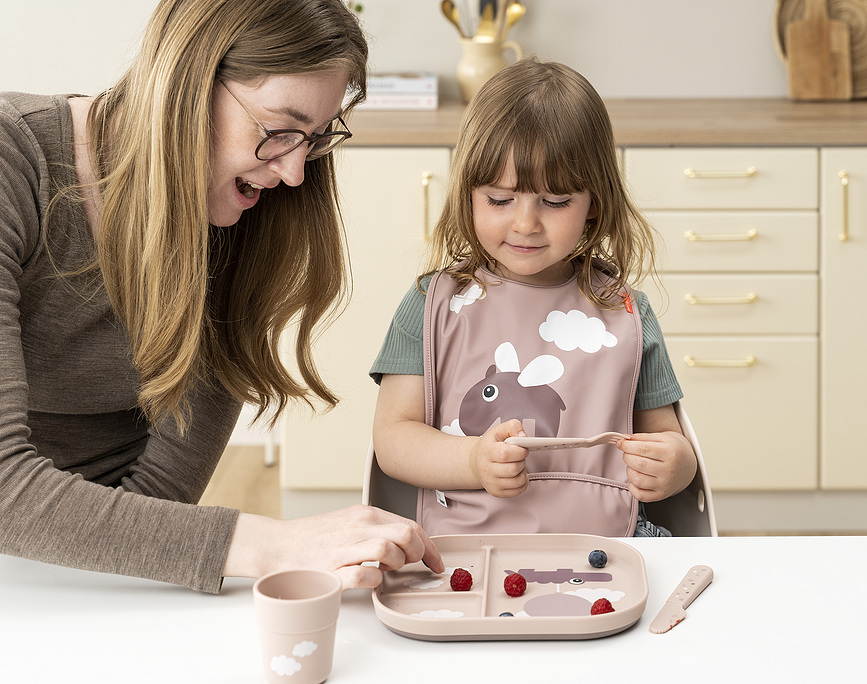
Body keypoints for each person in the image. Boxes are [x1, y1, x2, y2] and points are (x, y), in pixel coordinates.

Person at [0, 0, 442, 594]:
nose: (294, 173)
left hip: (111, 566)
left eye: (314, 139)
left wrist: (109, 579)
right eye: (277, 130)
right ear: (189, 80)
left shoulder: (238, 220)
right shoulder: (14, 161)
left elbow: (162, 492)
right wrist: (273, 544)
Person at [370, 57, 697, 538]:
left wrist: (676, 464)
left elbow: (668, 438)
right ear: (468, 195)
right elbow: (393, 440)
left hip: (607, 549)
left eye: (556, 201)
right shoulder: (430, 305)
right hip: (465, 550)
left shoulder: (627, 312)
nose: (525, 224)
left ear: (594, 203)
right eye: (500, 200)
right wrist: (473, 460)